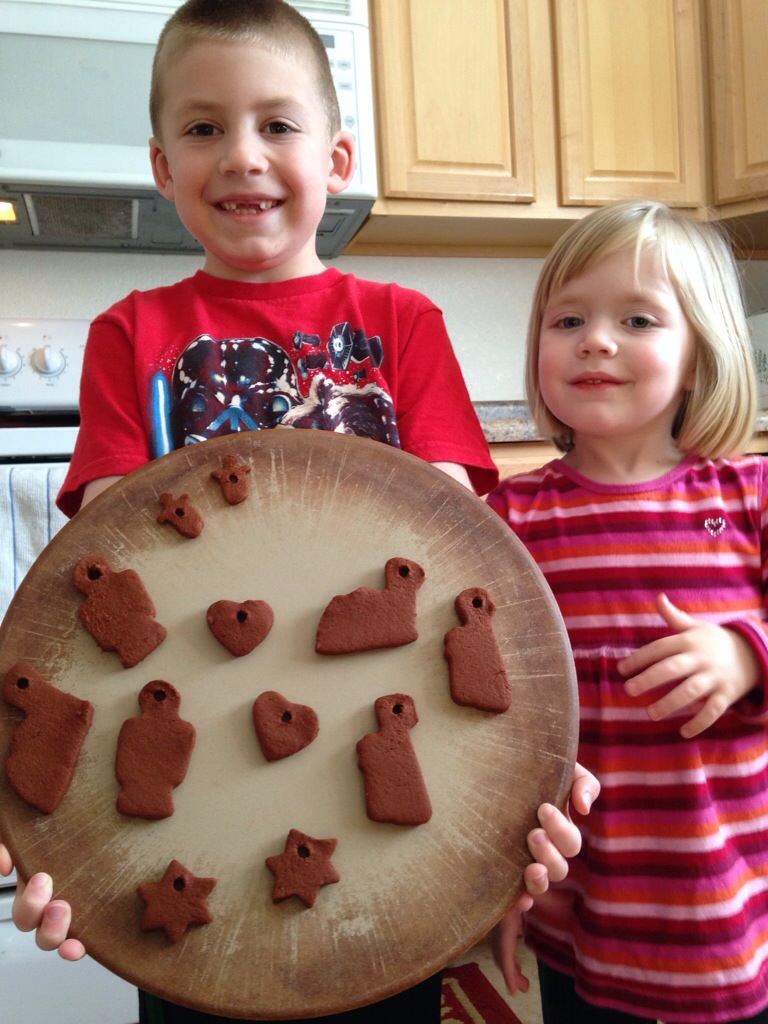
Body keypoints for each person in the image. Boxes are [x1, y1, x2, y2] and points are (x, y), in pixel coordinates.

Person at [0, 1, 598, 1022]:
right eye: (203, 128)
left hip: (368, 817)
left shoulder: (400, 325)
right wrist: (73, 835)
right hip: (205, 820)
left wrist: (506, 759)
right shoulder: (129, 333)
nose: (242, 155)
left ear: (336, 154)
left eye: (277, 125)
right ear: (160, 165)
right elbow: (104, 560)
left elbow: (455, 551)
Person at [488, 198, 768, 1024]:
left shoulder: (750, 495)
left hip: (737, 914)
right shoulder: (510, 520)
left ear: (699, 353)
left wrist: (747, 653)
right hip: (583, 919)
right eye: (568, 318)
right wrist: (501, 884)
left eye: (637, 318)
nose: (596, 339)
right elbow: (490, 726)